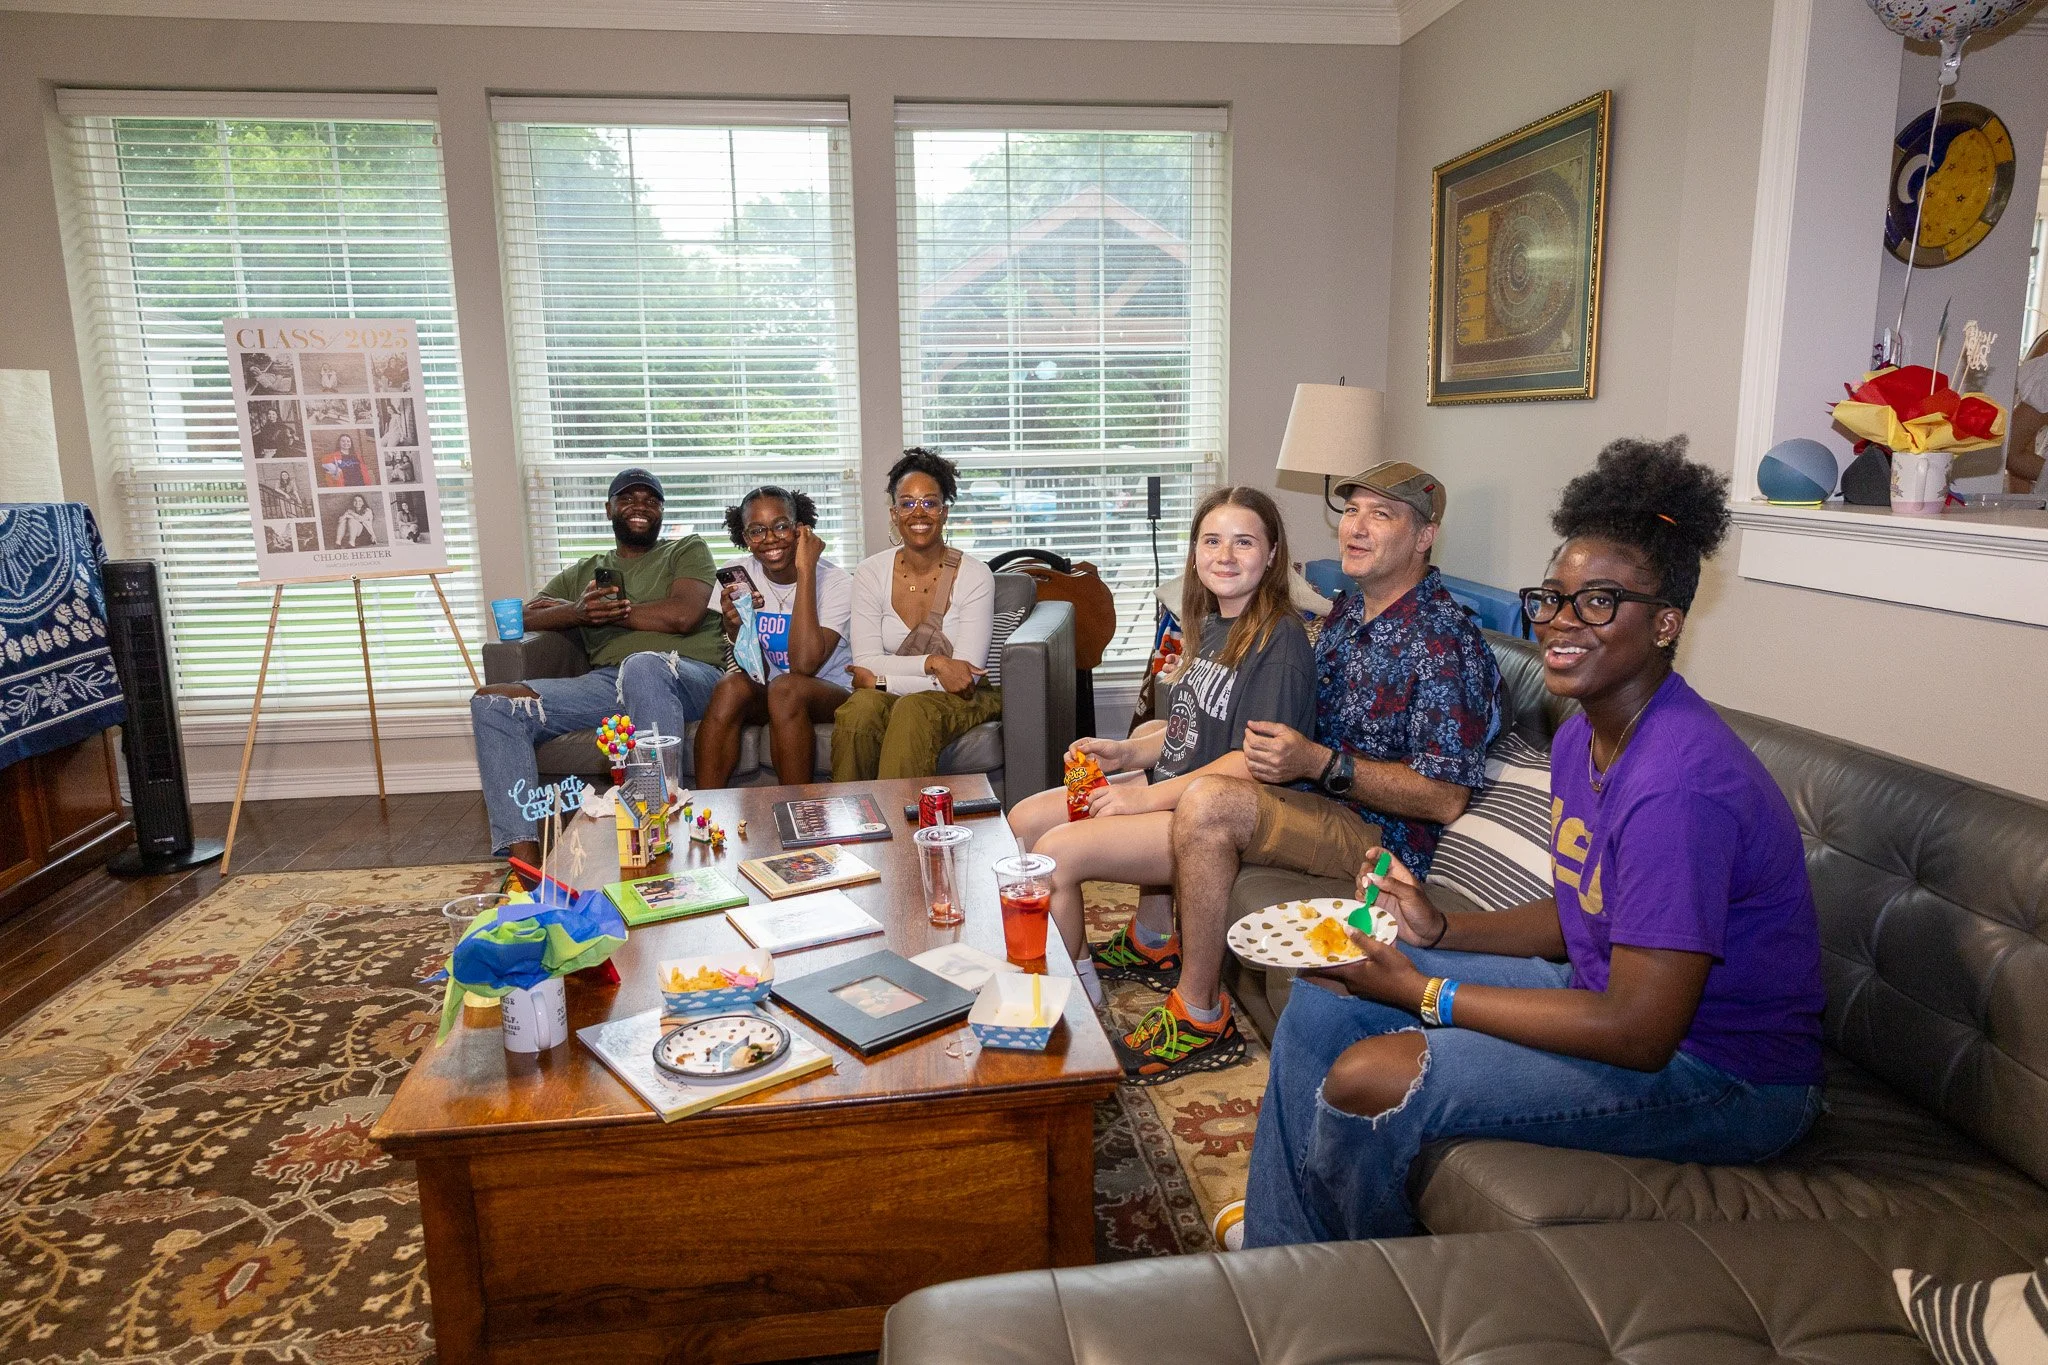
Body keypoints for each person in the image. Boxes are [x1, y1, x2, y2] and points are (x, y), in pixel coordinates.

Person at [1236, 435, 1827, 1249]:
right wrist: (1441, 930)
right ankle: (1281, 1259)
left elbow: (1639, 1030)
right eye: (1551, 597)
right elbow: (1582, 909)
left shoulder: (1679, 782)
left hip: (1725, 1076)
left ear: (1665, 623)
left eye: (1597, 601)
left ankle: (1369, 1293)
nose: (1558, 622)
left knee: (1372, 1076)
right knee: (1327, 986)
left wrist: (1428, 994)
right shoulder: (1587, 735)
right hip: (1609, 999)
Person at [1116, 461, 1503, 1082]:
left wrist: (1319, 763)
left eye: (1382, 515)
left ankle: (1199, 1015)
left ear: (1425, 536)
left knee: (1211, 802)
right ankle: (1152, 932)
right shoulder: (1343, 616)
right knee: (1182, 754)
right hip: (1311, 804)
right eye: (1351, 511)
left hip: (1381, 844)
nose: (1356, 527)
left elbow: (1445, 798)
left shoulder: (1443, 643)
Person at [1006, 487, 1315, 1008]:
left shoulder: (1278, 643)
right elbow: (1187, 725)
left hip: (1208, 814)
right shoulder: (1214, 622)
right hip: (1167, 786)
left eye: (1244, 543)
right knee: (1025, 818)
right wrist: (1125, 755)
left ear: (1272, 554)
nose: (1225, 555)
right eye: (1212, 540)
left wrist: (1141, 799)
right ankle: (1081, 964)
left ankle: (1075, 1005)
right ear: (1194, 551)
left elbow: (1250, 762)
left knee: (1055, 854)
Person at [469, 468, 725, 868]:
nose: (640, 506)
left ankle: (653, 837)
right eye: (627, 498)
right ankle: (527, 870)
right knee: (493, 702)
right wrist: (576, 611)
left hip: (686, 674)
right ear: (608, 510)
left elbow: (683, 615)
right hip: (610, 683)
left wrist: (607, 614)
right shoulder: (585, 570)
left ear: (661, 511)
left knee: (643, 666)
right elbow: (520, 616)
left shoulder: (686, 550)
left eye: (650, 500)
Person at [831, 449, 999, 781]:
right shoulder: (869, 573)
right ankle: (850, 825)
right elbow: (865, 661)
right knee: (860, 709)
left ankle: (905, 829)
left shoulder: (975, 575)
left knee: (911, 710)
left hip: (967, 697)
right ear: (894, 514)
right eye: (907, 503)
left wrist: (880, 681)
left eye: (929, 502)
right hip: (910, 690)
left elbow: (963, 679)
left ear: (944, 512)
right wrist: (933, 663)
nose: (918, 512)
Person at [694, 485, 855, 789]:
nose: (770, 539)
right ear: (745, 538)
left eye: (781, 526)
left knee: (786, 689)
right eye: (757, 531)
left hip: (831, 693)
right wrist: (736, 627)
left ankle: (797, 813)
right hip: (771, 688)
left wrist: (806, 570)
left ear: (799, 530)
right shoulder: (737, 573)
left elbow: (804, 665)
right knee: (729, 686)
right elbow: (753, 669)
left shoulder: (837, 583)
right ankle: (705, 815)